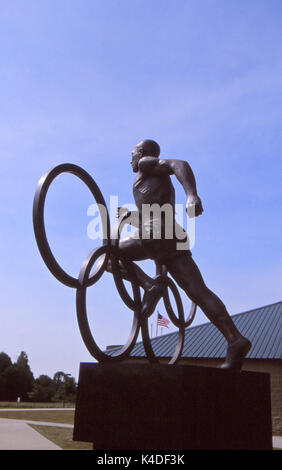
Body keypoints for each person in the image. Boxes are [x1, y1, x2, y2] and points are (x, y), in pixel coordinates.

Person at [109, 139, 251, 370]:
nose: (131, 159)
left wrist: (192, 195)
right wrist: (130, 216)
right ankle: (235, 338)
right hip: (171, 236)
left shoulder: (146, 164)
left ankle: (149, 285)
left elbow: (178, 163)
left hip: (156, 233)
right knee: (198, 291)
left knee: (108, 255)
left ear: (143, 153)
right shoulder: (153, 178)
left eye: (133, 154)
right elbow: (153, 209)